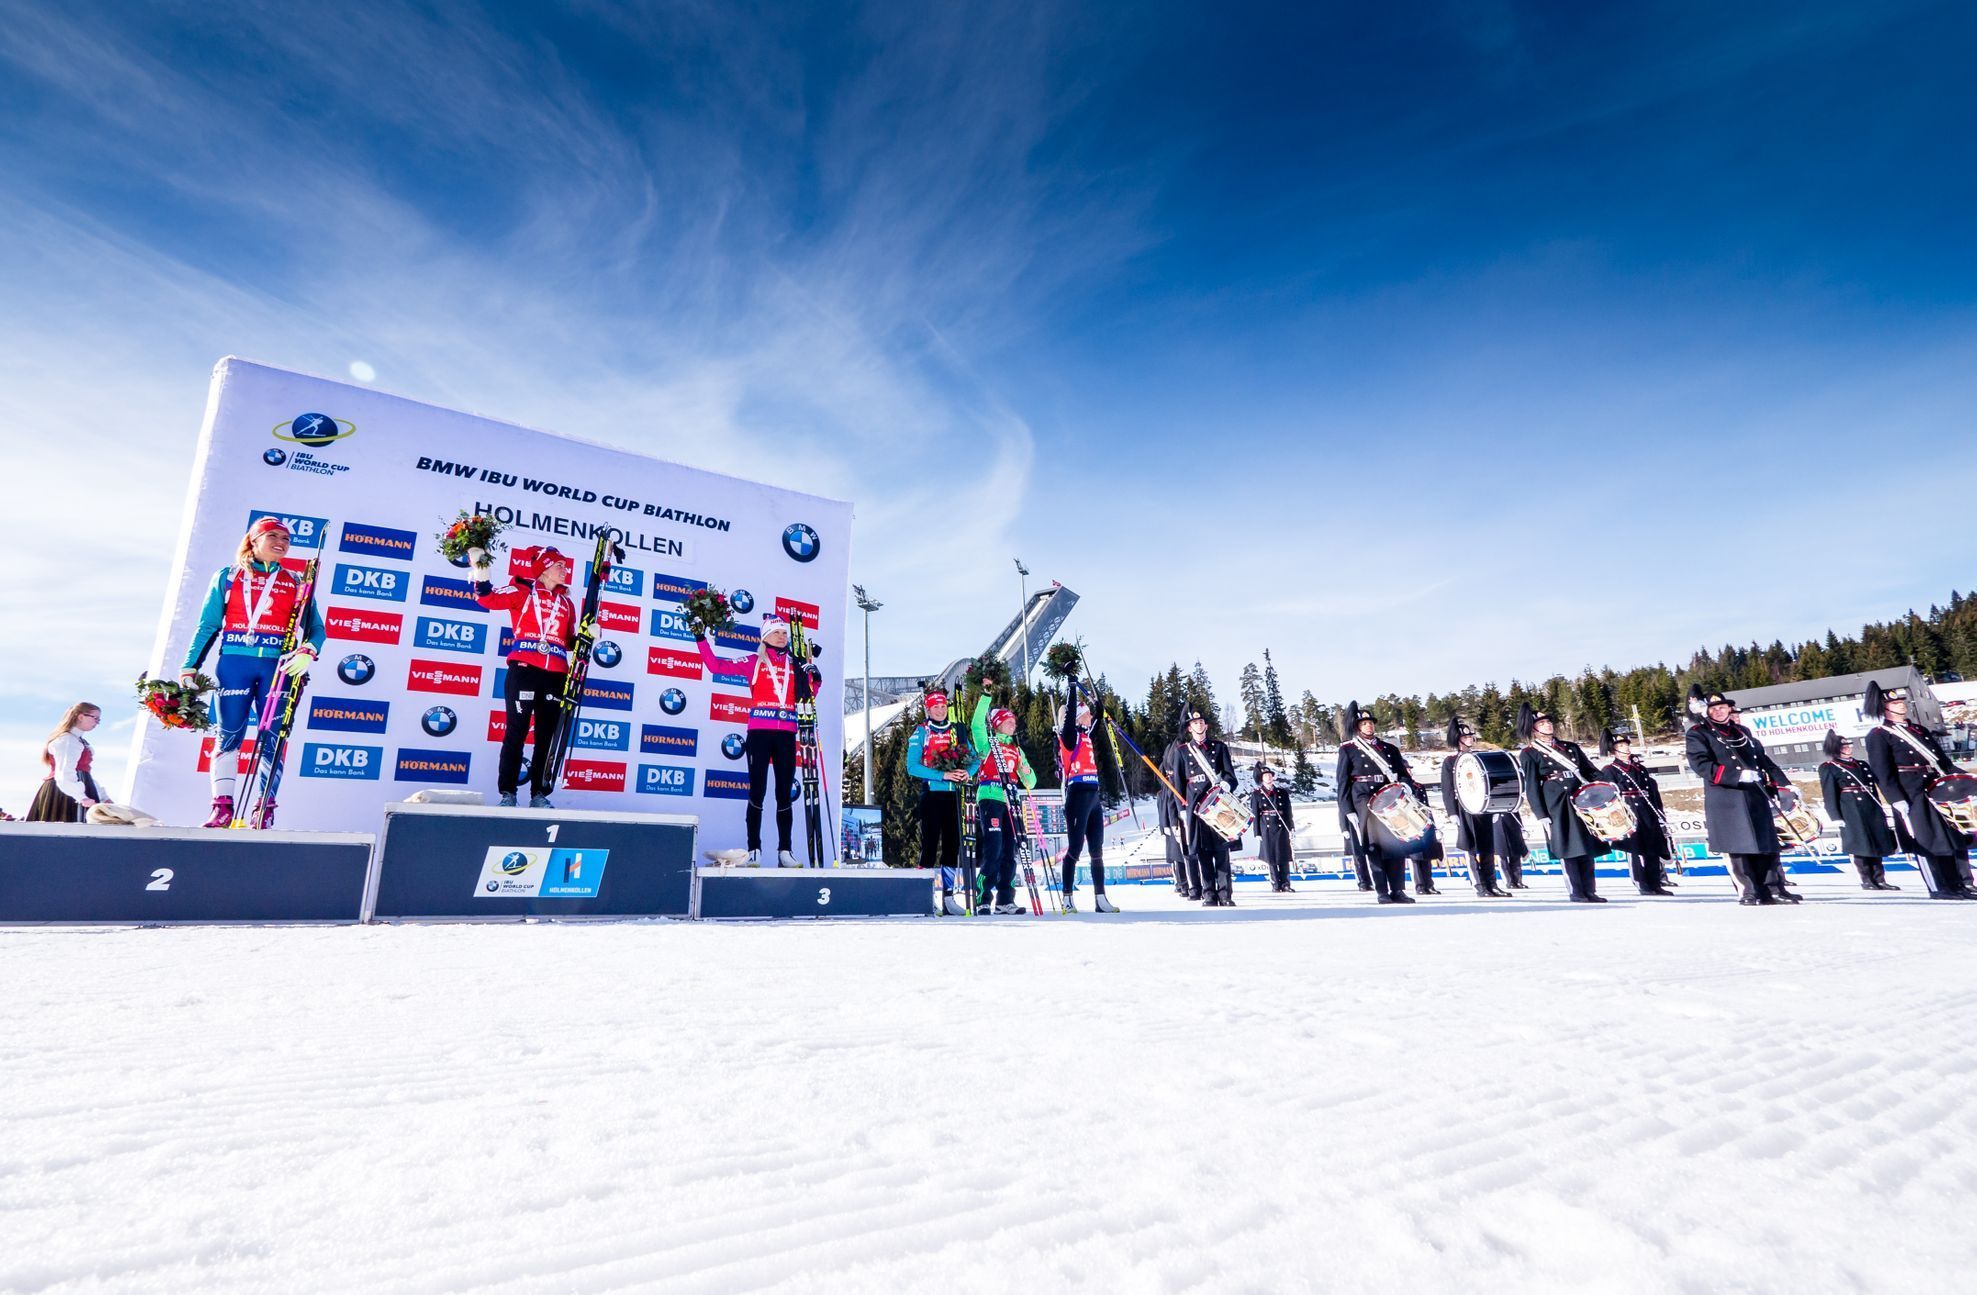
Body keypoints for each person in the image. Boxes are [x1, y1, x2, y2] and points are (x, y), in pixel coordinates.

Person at [180, 516, 325, 827]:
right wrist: (189, 666)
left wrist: (307, 652)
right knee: (228, 734)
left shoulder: (297, 582)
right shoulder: (228, 576)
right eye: (272, 536)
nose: (282, 543)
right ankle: (221, 807)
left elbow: (316, 630)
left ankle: (265, 807)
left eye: (286, 539)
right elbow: (208, 625)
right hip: (234, 663)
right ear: (253, 541)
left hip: (278, 666)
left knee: (275, 735)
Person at [697, 612, 822, 865]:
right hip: (759, 733)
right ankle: (754, 849)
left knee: (784, 794)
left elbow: (807, 699)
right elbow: (716, 666)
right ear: (765, 636)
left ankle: (784, 851)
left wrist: (815, 678)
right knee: (757, 791)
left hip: (787, 734)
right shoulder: (753, 661)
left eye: (785, 633)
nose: (782, 636)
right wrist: (700, 638)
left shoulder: (795, 664)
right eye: (777, 632)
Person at [473, 545, 579, 810]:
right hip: (524, 670)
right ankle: (508, 793)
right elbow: (487, 599)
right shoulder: (523, 590)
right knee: (516, 733)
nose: (565, 571)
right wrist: (480, 568)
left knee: (546, 738)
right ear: (544, 568)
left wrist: (587, 637)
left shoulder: (567, 602)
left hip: (556, 675)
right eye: (559, 566)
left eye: (565, 566)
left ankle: (539, 794)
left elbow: (568, 642)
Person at [1683, 686, 1797, 905]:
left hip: (1754, 795)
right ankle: (1749, 891)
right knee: (1738, 848)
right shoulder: (1698, 733)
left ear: (1728, 708)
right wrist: (1735, 776)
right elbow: (1701, 764)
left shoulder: (1742, 732)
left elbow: (1763, 760)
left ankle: (1773, 888)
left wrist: (1784, 784)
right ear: (1707, 711)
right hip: (1727, 798)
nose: (1719, 712)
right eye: (1714, 709)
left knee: (1766, 845)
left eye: (1722, 707)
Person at [1861, 681, 1975, 899]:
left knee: (1948, 838)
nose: (1901, 705)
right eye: (1895, 702)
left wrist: (1968, 779)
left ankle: (1958, 885)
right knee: (1926, 841)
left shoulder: (1918, 730)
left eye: (1901, 701)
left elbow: (1943, 763)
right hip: (1910, 792)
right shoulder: (1879, 734)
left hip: (1936, 790)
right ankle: (1939, 888)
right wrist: (1896, 799)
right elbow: (1882, 771)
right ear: (1885, 707)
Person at [1334, 700, 1436, 904]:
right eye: (1364, 724)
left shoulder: (1389, 748)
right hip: (1364, 799)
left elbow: (1402, 773)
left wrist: (1405, 786)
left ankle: (1397, 889)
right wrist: (1347, 809)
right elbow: (1343, 782)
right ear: (1357, 727)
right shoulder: (1348, 749)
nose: (1369, 726)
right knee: (1375, 848)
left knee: (1396, 845)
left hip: (1389, 796)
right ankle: (1381, 890)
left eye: (1371, 723)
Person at [1516, 703, 1607, 902]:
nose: (1548, 725)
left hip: (1581, 799)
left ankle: (1590, 890)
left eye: (1549, 721)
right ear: (1533, 728)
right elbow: (1531, 786)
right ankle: (1576, 891)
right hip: (1556, 804)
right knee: (1568, 848)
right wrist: (1541, 815)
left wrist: (1606, 785)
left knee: (1586, 846)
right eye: (1542, 723)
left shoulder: (1570, 747)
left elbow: (1589, 770)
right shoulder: (1530, 753)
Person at [905, 684, 971, 912]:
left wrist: (966, 773)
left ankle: (949, 897)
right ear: (928, 710)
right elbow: (912, 767)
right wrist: (943, 774)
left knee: (952, 846)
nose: (941, 711)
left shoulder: (956, 730)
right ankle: (924, 895)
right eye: (936, 707)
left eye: (943, 706)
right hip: (931, 793)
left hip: (953, 795)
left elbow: (974, 759)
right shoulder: (921, 732)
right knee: (930, 844)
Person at [1164, 709, 1240, 905]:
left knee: (1222, 853)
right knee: (1203, 853)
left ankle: (1225, 895)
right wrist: (1181, 808)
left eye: (1201, 722)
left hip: (1219, 806)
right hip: (1197, 809)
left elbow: (1230, 775)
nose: (1199, 725)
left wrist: (1226, 784)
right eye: (1195, 723)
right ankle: (1209, 894)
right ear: (1189, 728)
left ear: (1206, 725)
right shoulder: (1182, 752)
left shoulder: (1219, 747)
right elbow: (1179, 783)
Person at [1056, 675, 1118, 913]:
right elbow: (1069, 715)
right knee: (1074, 849)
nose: (1090, 716)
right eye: (1087, 713)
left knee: (1097, 850)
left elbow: (1098, 721)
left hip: (1094, 795)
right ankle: (1068, 897)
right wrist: (1071, 687)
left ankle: (1100, 898)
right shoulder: (1069, 736)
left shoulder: (1086, 735)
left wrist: (1100, 710)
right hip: (1077, 794)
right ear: (1079, 715)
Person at [971, 692, 1037, 913]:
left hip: (1011, 801)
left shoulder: (1016, 750)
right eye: (1008, 721)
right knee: (994, 850)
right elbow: (976, 725)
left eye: (1014, 722)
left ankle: (1005, 900)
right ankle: (982, 898)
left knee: (1011, 851)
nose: (1013, 724)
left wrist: (1027, 773)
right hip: (990, 797)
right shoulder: (987, 744)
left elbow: (1031, 781)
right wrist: (985, 697)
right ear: (998, 724)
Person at [1817, 729, 1900, 891]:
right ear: (1836, 748)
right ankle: (1867, 880)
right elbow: (1829, 793)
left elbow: (1872, 789)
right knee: (1861, 845)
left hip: (1870, 808)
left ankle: (1880, 879)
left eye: (1849, 745)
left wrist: (1880, 807)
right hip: (1851, 810)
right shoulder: (1829, 767)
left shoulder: (1862, 764)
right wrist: (1835, 815)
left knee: (1876, 843)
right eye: (1845, 746)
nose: (1849, 748)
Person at [1439, 717, 1509, 898]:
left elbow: (1490, 782)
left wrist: (1495, 807)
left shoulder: (1479, 757)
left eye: (1471, 736)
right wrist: (1452, 813)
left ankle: (1492, 883)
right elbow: (1447, 789)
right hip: (1464, 809)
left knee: (1488, 847)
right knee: (1471, 848)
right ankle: (1479, 885)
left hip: (1483, 808)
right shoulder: (1450, 761)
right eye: (1466, 736)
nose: (1470, 739)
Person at [1600, 727, 1674, 897]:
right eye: (1621, 745)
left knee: (1653, 848)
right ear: (1614, 749)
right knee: (1634, 850)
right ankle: (1642, 883)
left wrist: (1659, 812)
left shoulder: (1639, 768)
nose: (1626, 747)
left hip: (1646, 810)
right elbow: (1610, 795)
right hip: (1629, 811)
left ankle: (1655, 883)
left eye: (1626, 744)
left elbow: (1651, 791)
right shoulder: (1609, 770)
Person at [26, 702, 103, 822]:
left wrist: (103, 796)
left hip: (77, 789)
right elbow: (64, 773)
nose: (97, 723)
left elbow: (85, 773)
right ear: (81, 716)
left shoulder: (77, 740)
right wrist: (81, 797)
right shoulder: (67, 740)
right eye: (95, 718)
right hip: (65, 793)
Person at [1251, 764, 1296, 892]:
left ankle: (1286, 883)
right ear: (1261, 778)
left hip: (1281, 826)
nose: (1269, 777)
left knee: (1284, 856)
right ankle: (1275, 884)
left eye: (1270, 775)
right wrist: (1257, 832)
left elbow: (1288, 812)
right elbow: (1255, 814)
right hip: (1267, 828)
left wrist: (1291, 827)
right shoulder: (1257, 794)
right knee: (1271, 858)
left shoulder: (1282, 792)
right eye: (1266, 776)